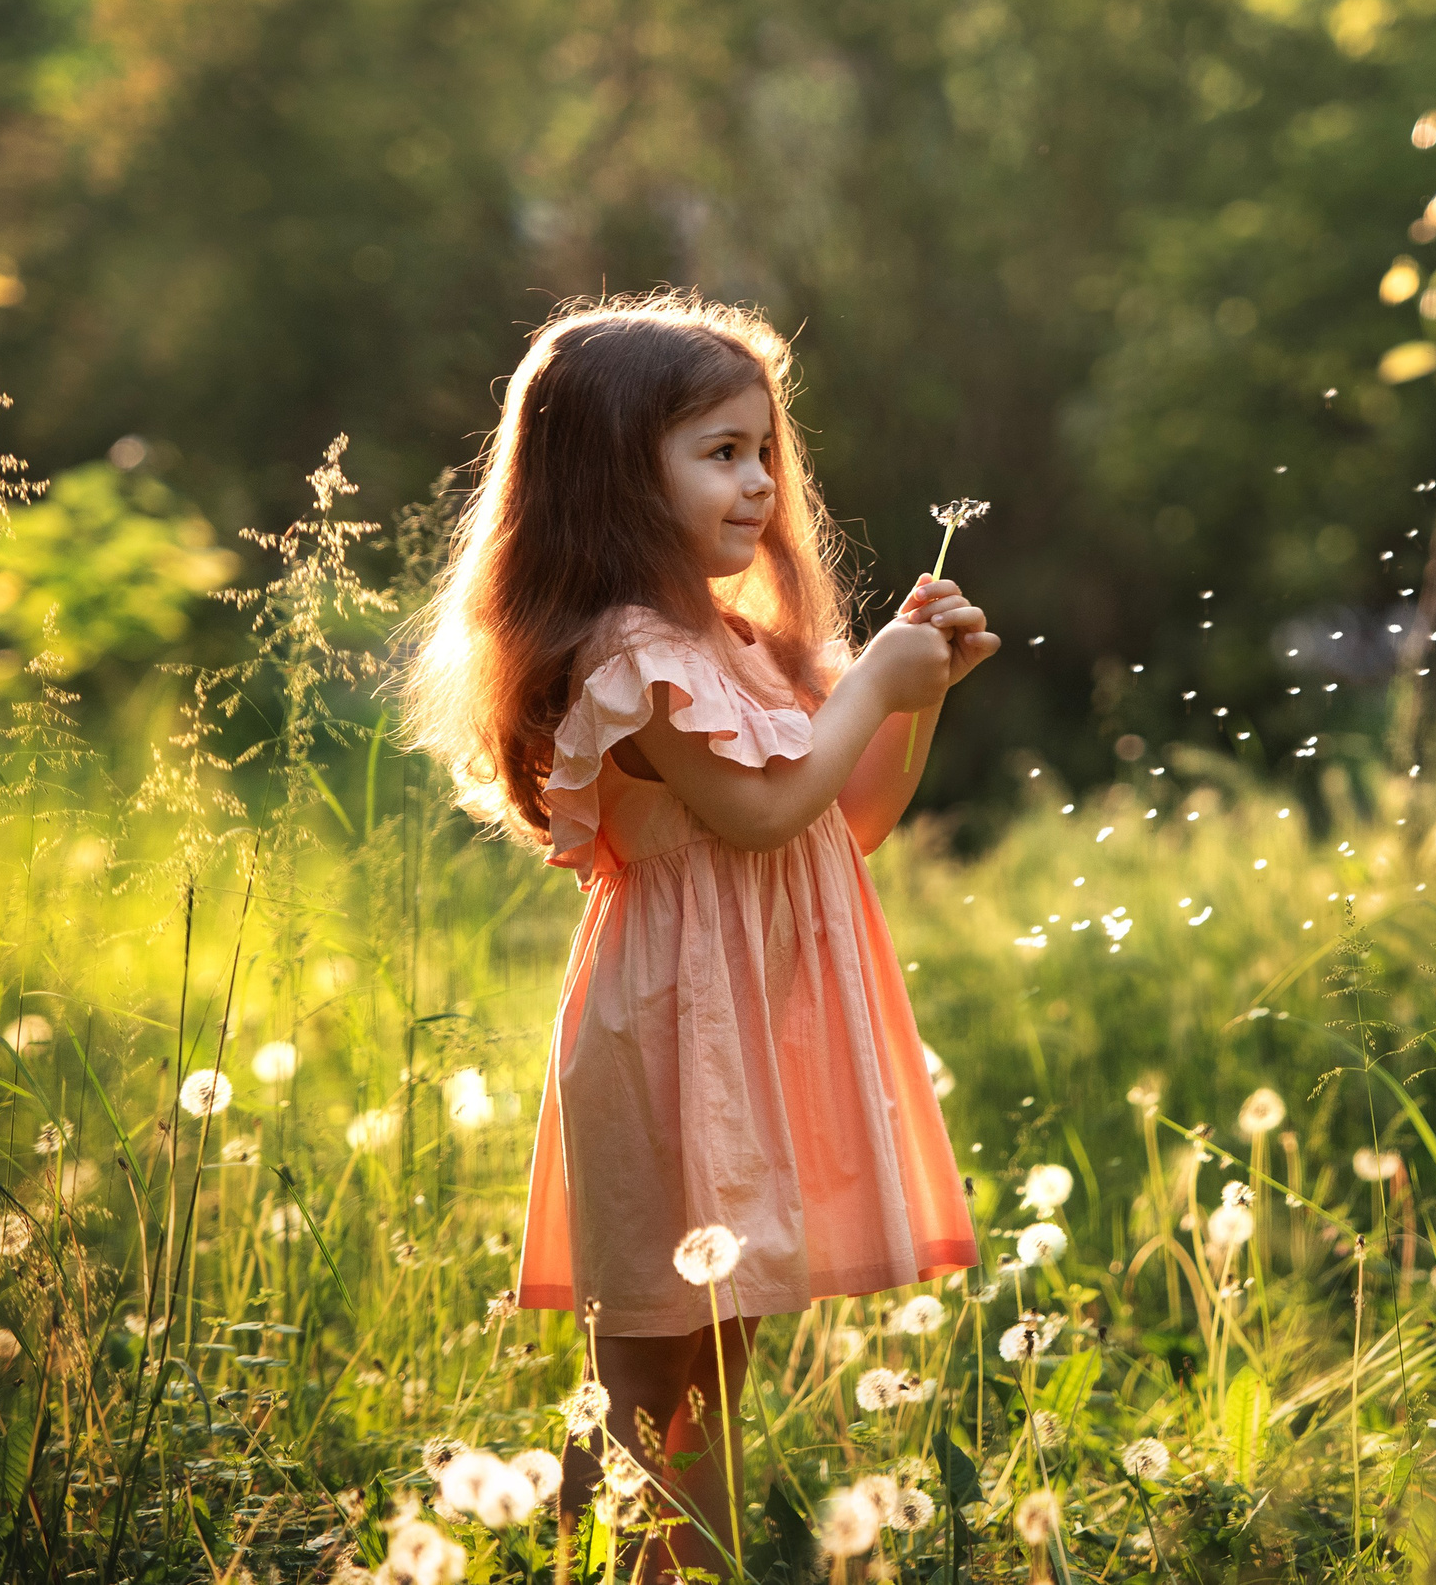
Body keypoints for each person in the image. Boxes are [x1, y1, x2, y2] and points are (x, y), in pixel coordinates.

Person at [397, 291, 994, 1579]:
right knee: (647, 1365)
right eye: (719, 453)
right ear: (615, 478)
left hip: (750, 1030)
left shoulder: (742, 648)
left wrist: (916, 698)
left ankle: (670, 1567)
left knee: (719, 1357)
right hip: (671, 1032)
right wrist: (874, 683)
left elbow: (858, 816)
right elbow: (764, 810)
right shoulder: (635, 658)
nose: (759, 482)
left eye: (765, 451)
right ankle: (606, 1566)